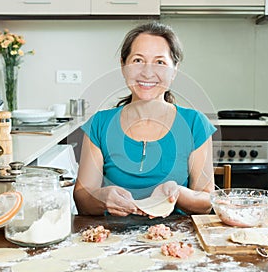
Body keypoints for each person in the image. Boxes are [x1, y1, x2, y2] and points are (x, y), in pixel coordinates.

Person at [73, 21, 216, 217]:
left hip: (176, 239)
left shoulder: (194, 123)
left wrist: (178, 194)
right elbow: (82, 199)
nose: (147, 73)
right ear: (123, 66)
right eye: (138, 60)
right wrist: (102, 198)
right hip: (112, 239)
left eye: (160, 62)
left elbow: (207, 202)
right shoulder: (99, 124)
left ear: (174, 70)